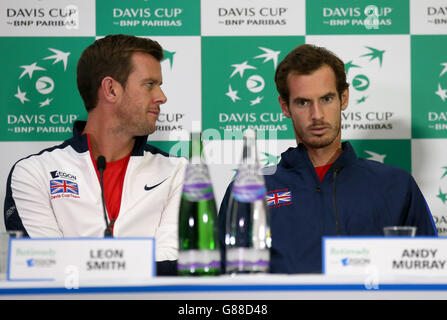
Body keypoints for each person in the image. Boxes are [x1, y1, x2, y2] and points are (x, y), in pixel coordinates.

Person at [218, 44, 437, 274]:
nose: (317, 115)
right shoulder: (249, 190)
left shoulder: (396, 185)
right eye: (303, 102)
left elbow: (431, 278)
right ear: (285, 106)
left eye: (327, 99)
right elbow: (221, 284)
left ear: (344, 98)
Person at [4, 34, 187, 275]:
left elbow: (173, 261)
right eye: (149, 84)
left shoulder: (178, 170)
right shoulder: (33, 171)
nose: (161, 97)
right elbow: (42, 265)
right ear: (111, 89)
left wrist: (82, 261)